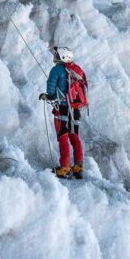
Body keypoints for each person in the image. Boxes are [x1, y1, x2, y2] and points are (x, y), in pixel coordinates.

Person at [39, 45, 88, 179]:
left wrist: (48, 96)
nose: (55, 56)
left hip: (62, 107)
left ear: (62, 57)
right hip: (76, 108)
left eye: (57, 54)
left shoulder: (57, 69)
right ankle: (78, 168)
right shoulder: (77, 70)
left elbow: (51, 87)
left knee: (62, 136)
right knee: (74, 136)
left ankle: (65, 168)